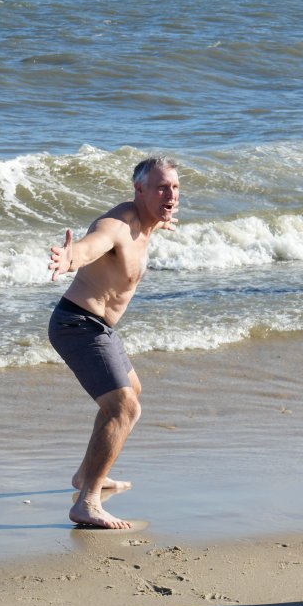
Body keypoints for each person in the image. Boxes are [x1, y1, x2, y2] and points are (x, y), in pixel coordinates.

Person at [48, 156, 180, 529]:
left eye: (174, 187)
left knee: (131, 391)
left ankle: (86, 474)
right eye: (160, 187)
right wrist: (70, 257)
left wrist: (161, 217)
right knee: (124, 408)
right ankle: (86, 502)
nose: (169, 194)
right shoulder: (120, 224)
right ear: (138, 190)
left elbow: (150, 223)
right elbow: (93, 244)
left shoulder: (150, 222)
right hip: (77, 324)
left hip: (100, 328)